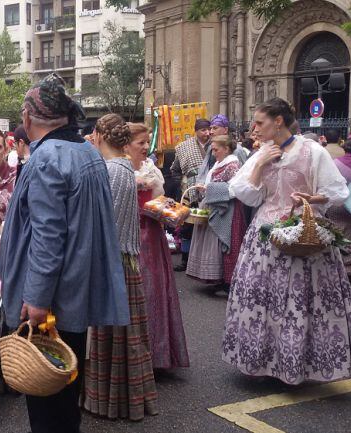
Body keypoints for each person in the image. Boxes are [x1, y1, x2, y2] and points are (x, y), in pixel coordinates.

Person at [0, 74, 129, 433]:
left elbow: (47, 235)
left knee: (46, 397)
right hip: (75, 286)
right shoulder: (85, 150)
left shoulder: (47, 159)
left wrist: (36, 298)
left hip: (51, 298)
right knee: (67, 385)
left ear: (27, 117)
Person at [223, 97, 351, 384]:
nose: (254, 129)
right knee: (263, 304)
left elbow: (337, 192)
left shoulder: (312, 151)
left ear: (278, 121)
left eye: (259, 122)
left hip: (305, 235)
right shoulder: (260, 153)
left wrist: (311, 198)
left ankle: (299, 365)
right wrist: (260, 164)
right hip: (265, 238)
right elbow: (247, 194)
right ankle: (264, 363)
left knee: (303, 304)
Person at [83, 114, 158, 421]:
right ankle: (129, 399)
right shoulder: (125, 166)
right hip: (125, 260)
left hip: (112, 262)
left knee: (112, 338)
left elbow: (105, 223)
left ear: (100, 135)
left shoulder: (110, 169)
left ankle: (110, 403)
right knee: (128, 340)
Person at [127, 123, 190, 370]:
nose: (146, 147)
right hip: (133, 235)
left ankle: (158, 354)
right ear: (126, 144)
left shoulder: (150, 168)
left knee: (155, 291)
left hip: (152, 234)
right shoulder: (118, 169)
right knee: (139, 293)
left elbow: (158, 199)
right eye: (141, 143)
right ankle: (135, 357)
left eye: (147, 142)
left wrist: (169, 210)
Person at [186, 135, 247, 291]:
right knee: (216, 244)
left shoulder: (233, 165)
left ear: (226, 149)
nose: (213, 153)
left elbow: (234, 189)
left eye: (216, 149)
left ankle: (228, 281)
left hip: (227, 209)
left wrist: (209, 189)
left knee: (226, 242)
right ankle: (219, 278)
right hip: (217, 205)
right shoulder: (220, 163)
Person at [170, 118, 210, 271]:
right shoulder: (184, 147)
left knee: (206, 226)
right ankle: (185, 260)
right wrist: (182, 184)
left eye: (208, 130)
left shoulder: (215, 146)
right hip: (189, 191)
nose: (206, 133)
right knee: (187, 226)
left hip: (208, 188)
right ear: (196, 131)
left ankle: (204, 262)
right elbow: (175, 170)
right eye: (202, 130)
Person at [329, 137, 351, 278]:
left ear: (345, 148)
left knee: (339, 232)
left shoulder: (335, 164)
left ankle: (342, 263)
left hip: (338, 206)